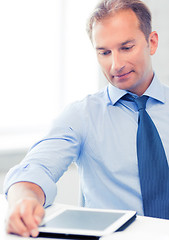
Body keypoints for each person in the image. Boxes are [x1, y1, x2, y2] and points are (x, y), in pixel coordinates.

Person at [3, 0, 169, 237]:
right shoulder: (82, 115)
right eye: (104, 52)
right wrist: (23, 198)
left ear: (151, 42)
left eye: (126, 47)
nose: (116, 64)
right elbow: (36, 168)